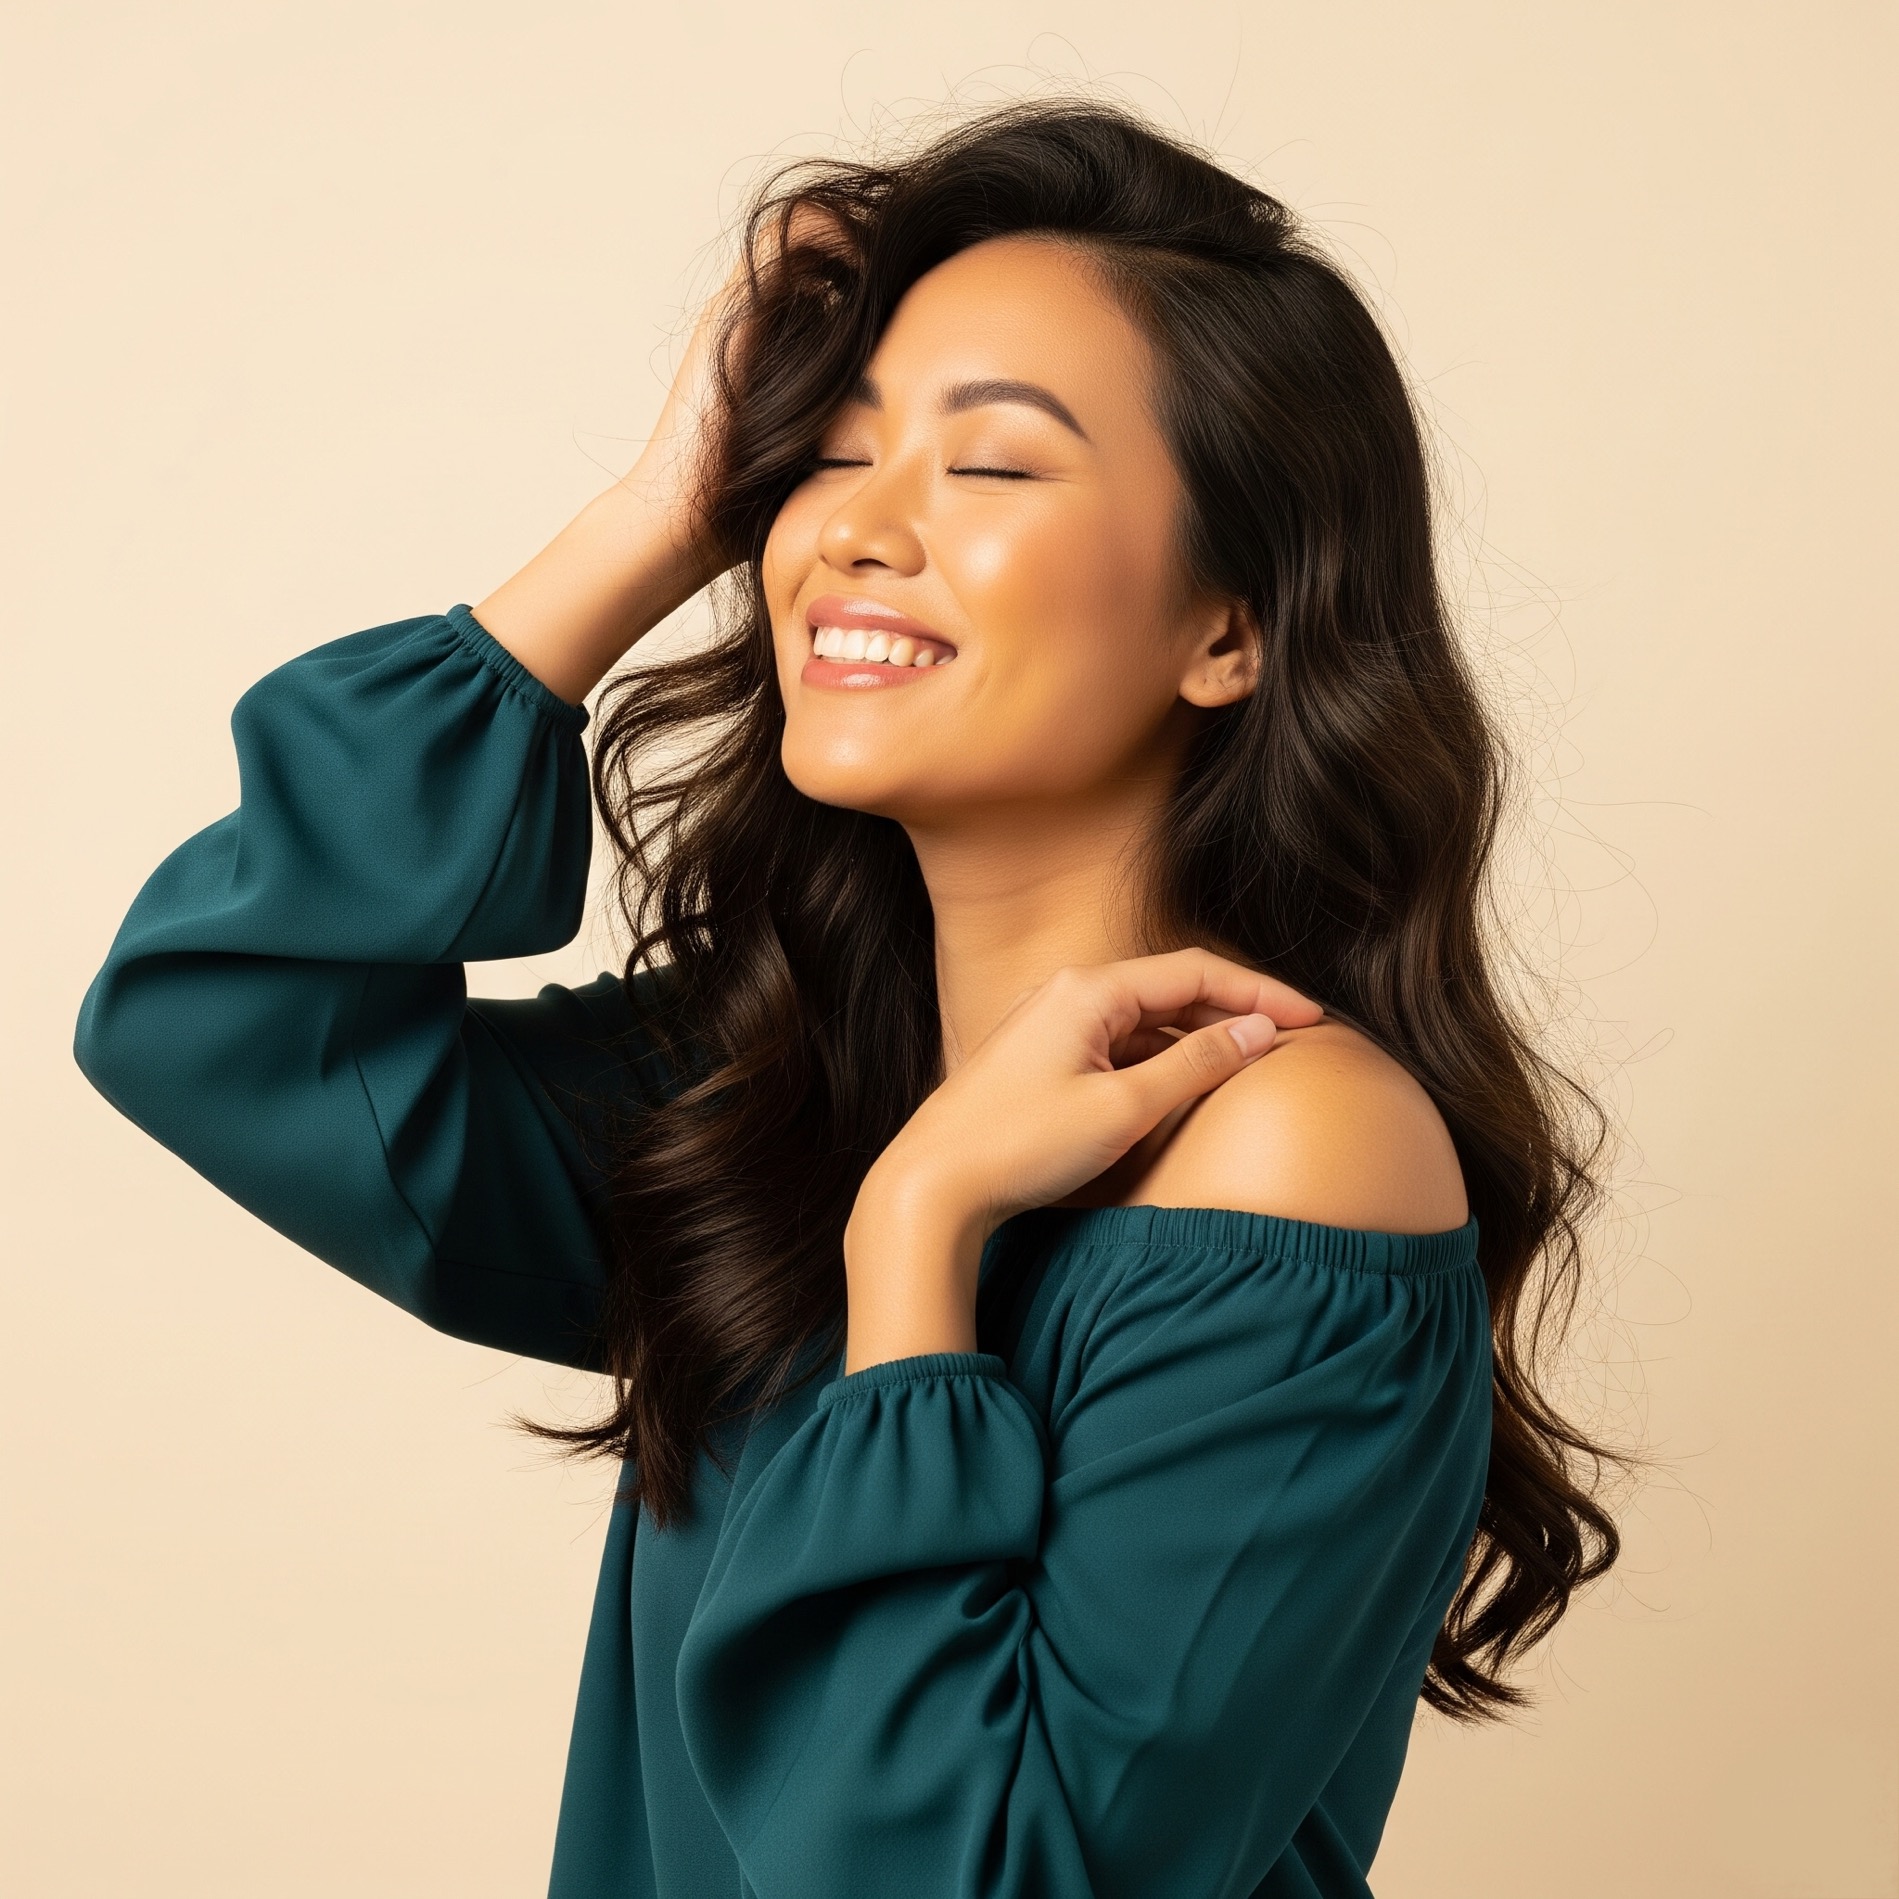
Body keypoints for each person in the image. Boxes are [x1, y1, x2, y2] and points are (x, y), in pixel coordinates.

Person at [74, 102, 1618, 1898]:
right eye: (827, 453)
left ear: (1231, 629)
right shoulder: (779, 1089)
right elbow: (217, 1026)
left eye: (993, 466)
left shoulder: (1289, 1149)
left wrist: (920, 1238)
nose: (854, 530)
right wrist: (654, 518)